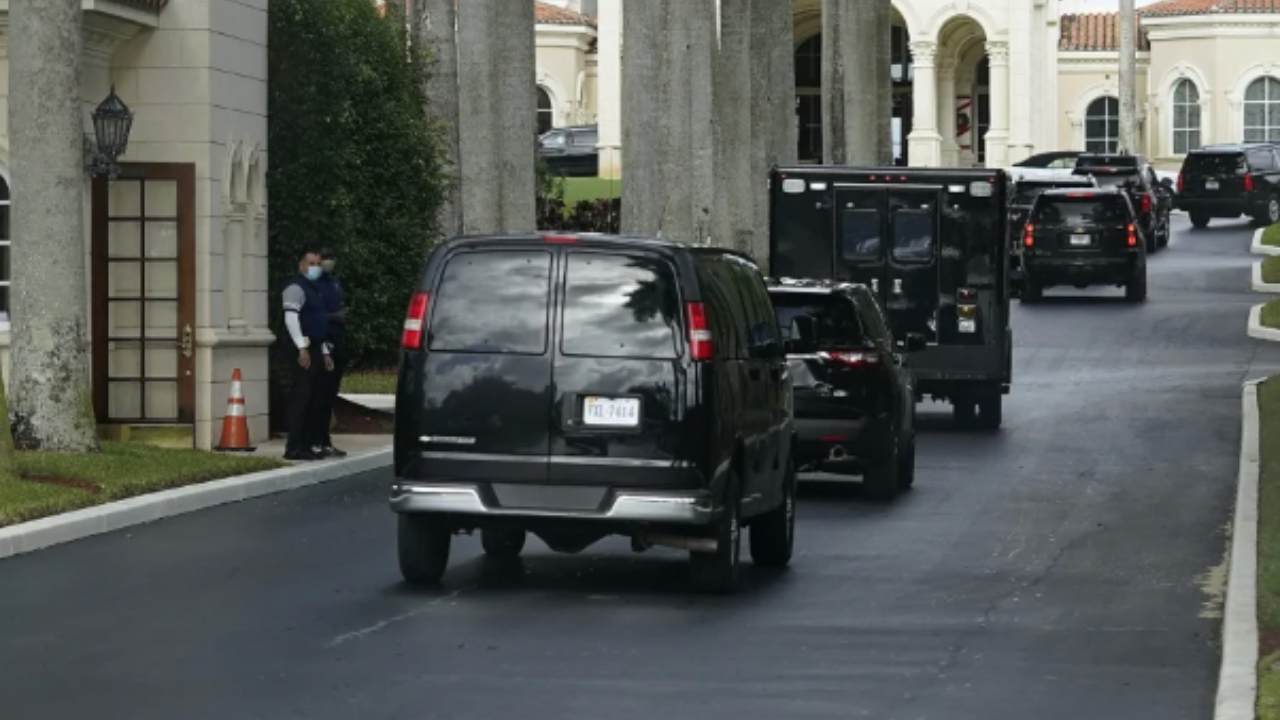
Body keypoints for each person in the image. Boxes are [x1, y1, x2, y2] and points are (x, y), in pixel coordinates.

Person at [282, 249, 333, 461]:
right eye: (311, 263)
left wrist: (325, 353)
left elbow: (317, 324)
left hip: (315, 349)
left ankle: (306, 444)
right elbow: (291, 319)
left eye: (318, 263)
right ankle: (294, 447)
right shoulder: (296, 288)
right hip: (303, 350)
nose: (316, 267)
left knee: (313, 399)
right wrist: (301, 347)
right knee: (301, 399)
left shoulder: (315, 289)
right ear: (301, 265)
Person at [312, 247, 348, 458]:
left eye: (331, 258)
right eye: (324, 258)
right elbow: (312, 314)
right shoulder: (313, 285)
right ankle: (316, 439)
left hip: (336, 340)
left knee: (329, 396)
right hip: (321, 342)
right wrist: (333, 317)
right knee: (318, 394)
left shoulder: (334, 283)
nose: (328, 262)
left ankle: (325, 439)